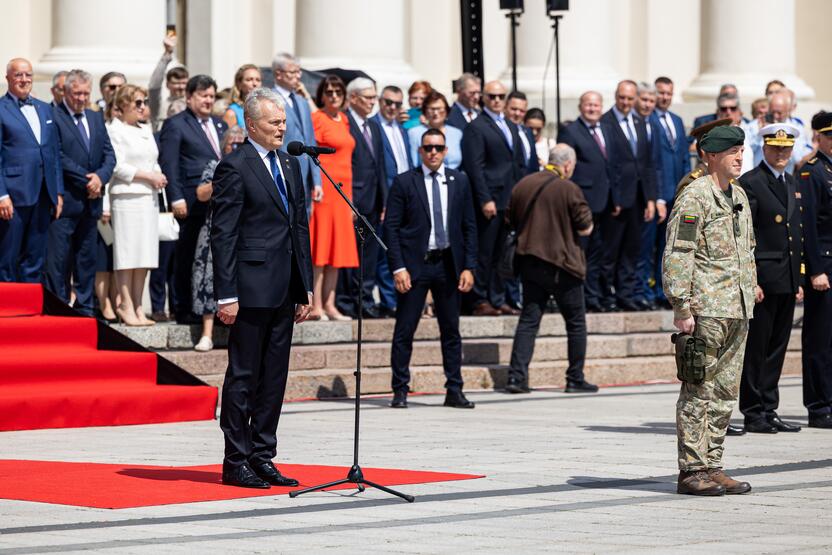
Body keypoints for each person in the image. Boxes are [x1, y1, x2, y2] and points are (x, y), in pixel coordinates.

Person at [211, 87, 313, 489]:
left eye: (284, 122)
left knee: (274, 376)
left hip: (284, 287)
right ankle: (235, 460)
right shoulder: (234, 167)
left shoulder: (290, 164)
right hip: (250, 289)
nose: (281, 128)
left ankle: (262, 454)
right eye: (274, 123)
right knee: (243, 375)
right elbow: (223, 233)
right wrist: (226, 294)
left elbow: (299, 228)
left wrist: (304, 288)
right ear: (251, 125)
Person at [663, 124, 756, 496]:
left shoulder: (739, 196)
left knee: (724, 393)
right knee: (698, 389)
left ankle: (713, 464)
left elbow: (746, 248)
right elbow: (678, 253)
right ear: (711, 155)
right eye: (732, 152)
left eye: (741, 151)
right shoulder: (695, 197)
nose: (739, 157)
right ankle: (691, 469)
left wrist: (752, 285)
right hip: (705, 308)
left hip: (737, 307)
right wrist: (681, 306)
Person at [385, 128, 477, 409]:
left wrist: (469, 266)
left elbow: (469, 227)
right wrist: (398, 267)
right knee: (405, 329)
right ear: (420, 151)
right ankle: (400, 389)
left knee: (451, 330)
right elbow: (391, 228)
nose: (433, 152)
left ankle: (454, 388)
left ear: (446, 150)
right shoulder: (404, 182)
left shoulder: (459, 180)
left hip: (448, 264)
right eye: (428, 148)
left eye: (438, 147)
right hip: (416, 266)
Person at [505, 144, 596, 394]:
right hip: (563, 265)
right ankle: (575, 377)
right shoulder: (569, 188)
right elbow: (585, 226)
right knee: (576, 323)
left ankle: (516, 377)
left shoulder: (523, 184)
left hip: (530, 262)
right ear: (567, 165)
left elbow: (510, 219)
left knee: (529, 321)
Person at [738, 123, 804, 434]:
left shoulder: (790, 181)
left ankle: (769, 406)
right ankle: (753, 410)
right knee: (758, 346)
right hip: (764, 276)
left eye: (786, 148)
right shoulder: (752, 183)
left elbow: (794, 233)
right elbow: (747, 235)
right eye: (776, 148)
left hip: (787, 276)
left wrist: (799, 277)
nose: (781, 153)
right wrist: (752, 279)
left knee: (777, 346)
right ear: (764, 147)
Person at [46, 69, 116, 316]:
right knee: (59, 260)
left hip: (91, 202)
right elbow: (57, 155)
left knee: (87, 259)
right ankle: (59, 307)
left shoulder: (95, 118)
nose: (82, 98)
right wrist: (88, 179)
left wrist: (100, 178)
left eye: (86, 93)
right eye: (77, 93)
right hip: (66, 201)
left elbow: (109, 154)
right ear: (66, 91)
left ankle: (86, 308)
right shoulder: (53, 116)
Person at [159, 74, 227, 324]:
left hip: (217, 204)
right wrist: (176, 198)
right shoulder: (176, 124)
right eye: (203, 95)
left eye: (211, 95)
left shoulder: (220, 124)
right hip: (190, 201)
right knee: (185, 256)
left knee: (212, 258)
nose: (208, 100)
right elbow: (170, 163)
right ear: (189, 97)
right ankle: (183, 307)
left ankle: (211, 306)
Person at [461, 79, 526, 316]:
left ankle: (497, 297)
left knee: (503, 251)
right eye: (492, 97)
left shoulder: (510, 124)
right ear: (483, 98)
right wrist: (484, 198)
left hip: (510, 199)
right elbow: (475, 167)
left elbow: (515, 162)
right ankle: (478, 299)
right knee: (484, 251)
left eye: (500, 97)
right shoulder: (477, 126)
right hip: (490, 200)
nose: (497, 101)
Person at [106, 84, 166, 326]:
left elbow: (153, 159)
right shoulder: (114, 130)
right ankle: (125, 304)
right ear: (122, 106)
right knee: (128, 253)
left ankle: (139, 306)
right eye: (137, 103)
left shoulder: (145, 129)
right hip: (127, 196)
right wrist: (148, 176)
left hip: (148, 197)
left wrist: (158, 175)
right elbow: (118, 166)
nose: (142, 107)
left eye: (144, 102)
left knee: (145, 254)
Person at [0, 58, 63, 283]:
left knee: (35, 257)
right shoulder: (1, 109)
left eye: (28, 75)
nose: (24, 80)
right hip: (13, 196)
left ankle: (29, 310)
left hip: (43, 194)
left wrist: (58, 192)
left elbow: (53, 153)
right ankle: (5, 311)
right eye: (18, 75)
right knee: (7, 256)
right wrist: (2, 194)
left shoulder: (44, 109)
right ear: (8, 78)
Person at [599, 80, 657, 312]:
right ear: (616, 96)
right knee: (610, 250)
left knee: (632, 250)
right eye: (622, 97)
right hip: (616, 200)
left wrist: (651, 198)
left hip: (638, 198)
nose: (626, 102)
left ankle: (626, 293)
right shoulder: (605, 122)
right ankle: (606, 294)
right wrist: (614, 198)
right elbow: (608, 164)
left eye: (630, 98)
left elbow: (647, 164)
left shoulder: (640, 122)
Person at [558, 91, 614, 312]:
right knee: (580, 252)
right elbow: (565, 169)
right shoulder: (570, 131)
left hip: (605, 203)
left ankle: (595, 296)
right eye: (588, 105)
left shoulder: (606, 130)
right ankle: (580, 298)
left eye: (596, 105)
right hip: (581, 202)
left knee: (598, 254)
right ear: (581, 107)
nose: (592, 109)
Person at [191, 126, 246, 351]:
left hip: (242, 231)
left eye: (240, 144)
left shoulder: (250, 167)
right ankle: (206, 334)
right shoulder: (216, 165)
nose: (235, 147)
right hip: (215, 228)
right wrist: (224, 178)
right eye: (231, 143)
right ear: (224, 145)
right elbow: (201, 194)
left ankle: (239, 335)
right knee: (209, 278)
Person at [309, 75, 358, 321]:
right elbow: (311, 155)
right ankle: (315, 305)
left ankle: (330, 303)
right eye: (329, 92)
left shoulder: (345, 119)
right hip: (325, 192)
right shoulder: (317, 118)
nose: (334, 96)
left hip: (343, 193)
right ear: (322, 95)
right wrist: (314, 185)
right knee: (320, 249)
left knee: (337, 251)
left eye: (338, 92)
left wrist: (350, 201)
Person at [337, 77, 387, 319]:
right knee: (350, 254)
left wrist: (384, 200)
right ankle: (347, 300)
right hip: (353, 199)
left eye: (374, 97)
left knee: (369, 254)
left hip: (374, 201)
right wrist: (349, 201)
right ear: (353, 98)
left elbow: (381, 166)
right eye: (368, 98)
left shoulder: (374, 126)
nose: (372, 102)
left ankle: (365, 299)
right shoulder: (344, 123)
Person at [641, 76, 690, 309]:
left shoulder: (677, 121)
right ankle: (646, 290)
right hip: (656, 195)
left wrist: (687, 188)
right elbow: (652, 163)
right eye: (661, 93)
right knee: (648, 245)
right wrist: (657, 195)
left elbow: (682, 158)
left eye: (669, 93)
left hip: (676, 194)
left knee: (669, 247)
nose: (664, 97)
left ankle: (664, 291)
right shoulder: (646, 120)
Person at [800, 111, 832, 430]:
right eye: (829, 136)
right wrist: (815, 270)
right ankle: (819, 405)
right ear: (818, 138)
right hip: (823, 266)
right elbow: (807, 225)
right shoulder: (813, 173)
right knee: (820, 339)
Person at [372, 84, 413, 317]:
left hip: (405, 197)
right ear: (380, 101)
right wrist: (384, 201)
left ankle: (400, 299)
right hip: (386, 197)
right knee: (384, 251)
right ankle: (388, 301)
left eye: (397, 104)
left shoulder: (402, 129)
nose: (392, 107)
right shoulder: (374, 126)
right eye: (388, 102)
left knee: (401, 250)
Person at [272, 52, 321, 214]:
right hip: (281, 173)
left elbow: (310, 140)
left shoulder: (302, 101)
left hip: (304, 177)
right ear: (278, 74)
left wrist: (316, 180)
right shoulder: (270, 100)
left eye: (299, 71)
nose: (298, 76)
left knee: (303, 225)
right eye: (293, 72)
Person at [742, 91, 814, 175]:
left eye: (779, 113)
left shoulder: (795, 128)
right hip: (758, 177)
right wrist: (759, 134)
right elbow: (746, 152)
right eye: (773, 112)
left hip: (783, 178)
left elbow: (797, 158)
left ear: (788, 111)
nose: (775, 116)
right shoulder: (754, 126)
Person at [407, 91, 463, 170]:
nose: (436, 113)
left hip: (453, 179)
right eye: (432, 109)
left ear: (446, 111)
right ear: (425, 111)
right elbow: (412, 162)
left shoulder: (457, 133)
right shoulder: (414, 133)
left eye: (439, 109)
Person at [149, 35, 188, 132]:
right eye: (176, 83)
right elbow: (154, 86)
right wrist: (167, 54)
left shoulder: (192, 104)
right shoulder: (159, 105)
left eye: (184, 83)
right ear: (167, 85)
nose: (180, 87)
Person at [505, 91, 540, 176]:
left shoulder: (528, 132)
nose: (517, 113)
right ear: (505, 107)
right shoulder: (500, 132)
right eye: (514, 109)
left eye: (522, 111)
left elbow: (533, 162)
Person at [223, 64, 261, 129]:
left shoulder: (263, 109)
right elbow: (226, 138)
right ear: (239, 83)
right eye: (249, 80)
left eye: (258, 80)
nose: (255, 84)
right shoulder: (232, 113)